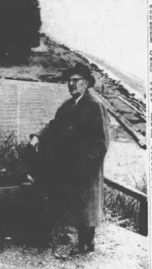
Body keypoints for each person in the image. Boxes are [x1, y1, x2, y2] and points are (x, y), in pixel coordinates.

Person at [28, 63, 110, 252]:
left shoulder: (95, 105)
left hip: (86, 166)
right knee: (71, 202)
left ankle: (87, 244)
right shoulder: (68, 105)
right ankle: (70, 239)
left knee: (87, 205)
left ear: (86, 83)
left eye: (76, 81)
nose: (71, 84)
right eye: (69, 81)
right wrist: (37, 136)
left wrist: (86, 164)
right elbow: (54, 125)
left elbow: (102, 142)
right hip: (69, 163)